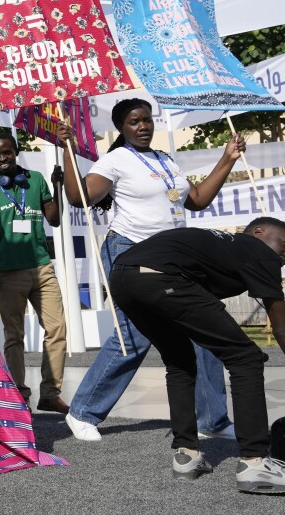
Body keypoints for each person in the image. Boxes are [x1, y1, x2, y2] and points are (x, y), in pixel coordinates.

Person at [59, 98, 246, 442]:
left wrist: (227, 159)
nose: (143, 126)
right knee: (135, 333)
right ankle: (83, 411)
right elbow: (80, 197)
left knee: (203, 328)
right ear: (122, 127)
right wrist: (67, 151)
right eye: (134, 121)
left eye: (146, 120)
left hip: (173, 257)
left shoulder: (165, 160)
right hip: (129, 251)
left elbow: (198, 199)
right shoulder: (115, 160)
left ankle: (212, 420)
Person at [108, 219, 285, 492]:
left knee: (179, 361)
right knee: (246, 358)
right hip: (162, 276)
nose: (284, 254)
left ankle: (186, 455)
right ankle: (255, 463)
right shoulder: (259, 250)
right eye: (284, 244)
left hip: (122, 276)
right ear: (258, 232)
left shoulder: (223, 246)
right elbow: (280, 324)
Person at [0, 133, 69, 414]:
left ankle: (50, 393)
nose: (1, 159)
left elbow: (55, 220)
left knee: (57, 329)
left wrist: (58, 186)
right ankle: (19, 396)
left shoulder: (35, 179)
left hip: (42, 267)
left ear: (16, 151)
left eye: (6, 153)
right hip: (8, 273)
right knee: (14, 336)